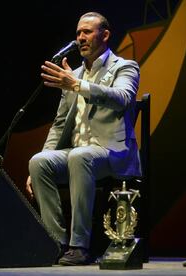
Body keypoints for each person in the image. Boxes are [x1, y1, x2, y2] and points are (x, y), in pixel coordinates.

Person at [25, 12, 141, 266]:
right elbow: (58, 124)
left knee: (80, 156)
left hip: (111, 152)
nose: (80, 38)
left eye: (87, 32)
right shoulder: (74, 74)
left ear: (105, 35)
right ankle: (55, 242)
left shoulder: (125, 66)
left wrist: (78, 85)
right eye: (78, 33)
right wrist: (41, 161)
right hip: (78, 153)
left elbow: (122, 98)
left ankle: (79, 246)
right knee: (38, 161)